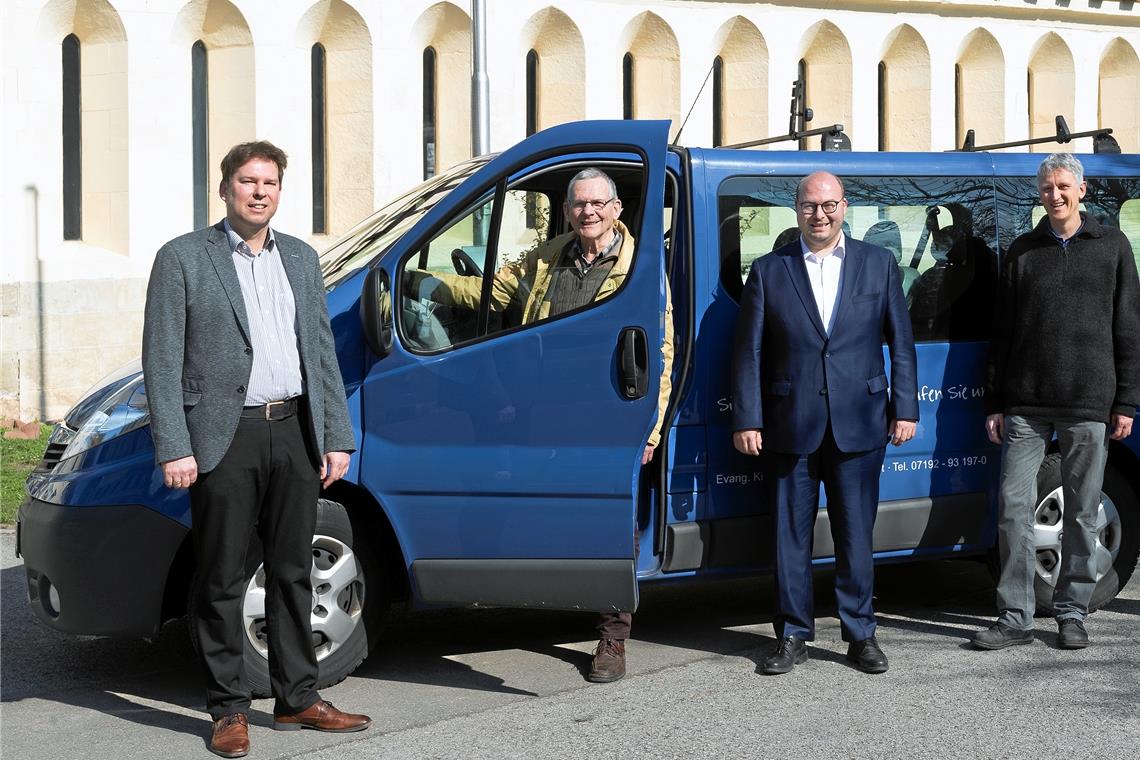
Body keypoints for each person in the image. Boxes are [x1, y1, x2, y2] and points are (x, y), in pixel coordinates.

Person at [142, 141, 371, 758]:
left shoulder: (299, 258)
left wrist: (336, 436)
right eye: (248, 181)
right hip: (224, 436)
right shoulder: (184, 258)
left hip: (294, 431)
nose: (260, 191)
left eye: (270, 182)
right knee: (221, 575)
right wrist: (175, 445)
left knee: (293, 571)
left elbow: (320, 351)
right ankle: (228, 710)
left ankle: (299, 698)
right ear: (225, 189)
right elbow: (161, 361)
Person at [409, 167, 673, 683]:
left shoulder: (644, 264)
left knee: (607, 522)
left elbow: (663, 348)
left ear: (617, 209)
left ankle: (612, 638)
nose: (587, 212)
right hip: (546, 409)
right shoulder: (551, 255)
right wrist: (426, 282)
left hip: (608, 410)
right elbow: (494, 290)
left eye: (598, 203)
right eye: (578, 204)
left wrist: (650, 426)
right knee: (547, 508)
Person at [731, 171, 918, 675]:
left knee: (856, 534)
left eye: (829, 204)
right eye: (811, 205)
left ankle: (861, 633)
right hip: (790, 421)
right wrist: (747, 417)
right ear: (797, 210)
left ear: (844, 206)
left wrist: (905, 408)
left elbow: (901, 343)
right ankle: (792, 635)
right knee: (789, 536)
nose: (820, 214)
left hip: (860, 422)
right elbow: (748, 352)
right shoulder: (769, 270)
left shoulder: (878, 265)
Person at [974, 153, 1139, 652]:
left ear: (1082, 190)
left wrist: (1127, 401)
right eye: (1047, 187)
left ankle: (1071, 612)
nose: (1056, 195)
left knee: (1084, 512)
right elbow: (1002, 332)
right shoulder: (1023, 250)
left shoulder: (1112, 247)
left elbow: (1128, 328)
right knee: (1013, 508)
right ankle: (1016, 616)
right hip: (1025, 403)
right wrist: (996, 400)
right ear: (1039, 193)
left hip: (1089, 402)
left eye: (1064, 186)